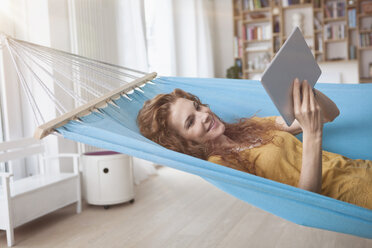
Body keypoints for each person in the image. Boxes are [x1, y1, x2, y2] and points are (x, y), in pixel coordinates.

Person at [137, 78, 372, 209]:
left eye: (197, 107)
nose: (205, 114)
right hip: (352, 195)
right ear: (181, 142)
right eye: (191, 122)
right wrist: (313, 134)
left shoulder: (247, 127)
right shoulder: (222, 164)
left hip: (363, 168)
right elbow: (305, 205)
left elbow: (329, 113)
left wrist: (305, 88)